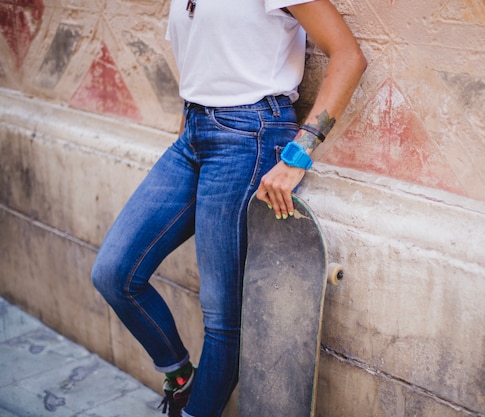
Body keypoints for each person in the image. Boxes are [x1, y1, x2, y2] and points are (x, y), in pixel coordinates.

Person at [90, 0, 366, 416]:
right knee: (114, 273)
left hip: (250, 133)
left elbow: (349, 56)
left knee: (223, 317)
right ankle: (181, 377)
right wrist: (189, 130)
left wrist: (298, 155)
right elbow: (204, 65)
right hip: (193, 135)